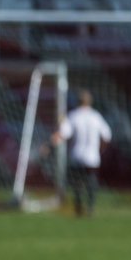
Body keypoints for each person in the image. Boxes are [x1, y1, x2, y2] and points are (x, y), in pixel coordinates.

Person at [51, 89, 112, 217]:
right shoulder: (96, 116)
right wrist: (100, 150)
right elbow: (107, 135)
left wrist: (54, 137)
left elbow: (63, 134)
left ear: (78, 101)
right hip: (92, 156)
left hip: (77, 155)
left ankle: (78, 206)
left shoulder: (73, 115)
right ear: (90, 102)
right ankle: (90, 207)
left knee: (77, 182)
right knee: (91, 180)